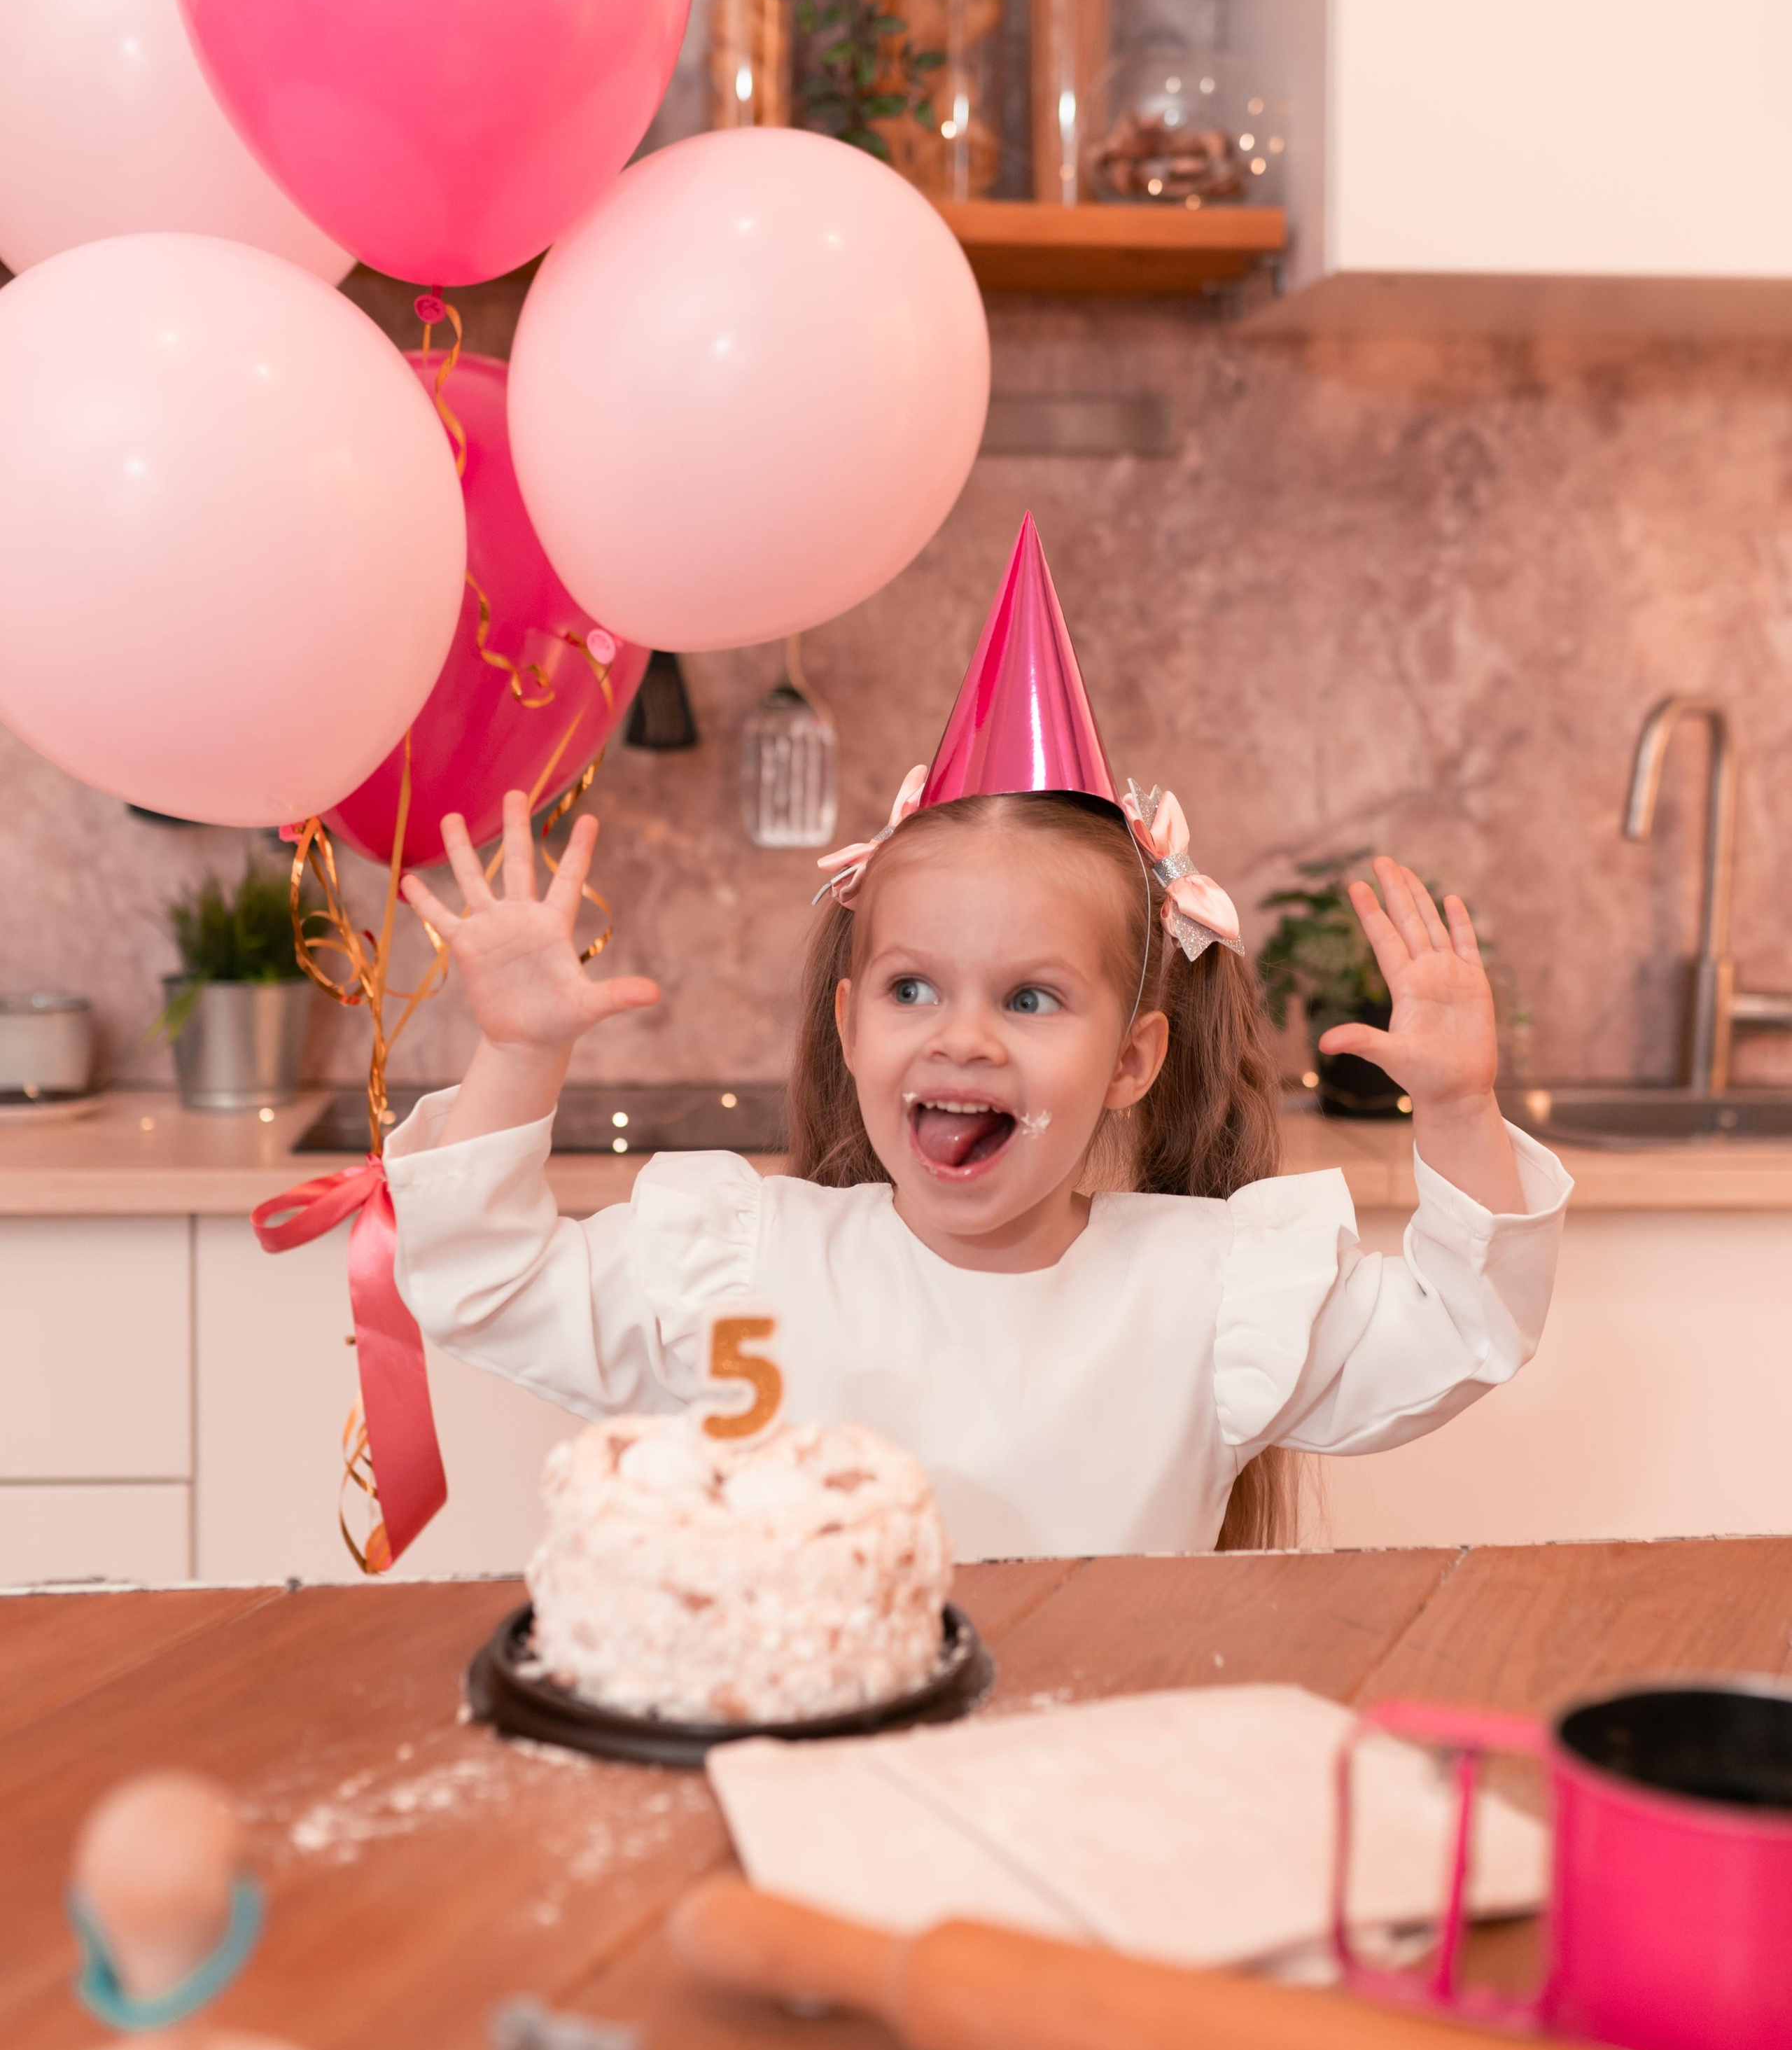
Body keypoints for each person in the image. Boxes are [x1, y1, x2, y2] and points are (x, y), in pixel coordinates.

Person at [386, 518, 1569, 1559]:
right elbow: (484, 1285)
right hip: (818, 1788)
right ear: (848, 1027)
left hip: (1095, 1781)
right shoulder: (744, 1270)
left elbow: (1464, 1329)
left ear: (1131, 1062)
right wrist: (522, 1052)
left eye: (1031, 1000)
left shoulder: (1206, 1293)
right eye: (911, 991)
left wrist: (1461, 1111)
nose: (964, 1039)